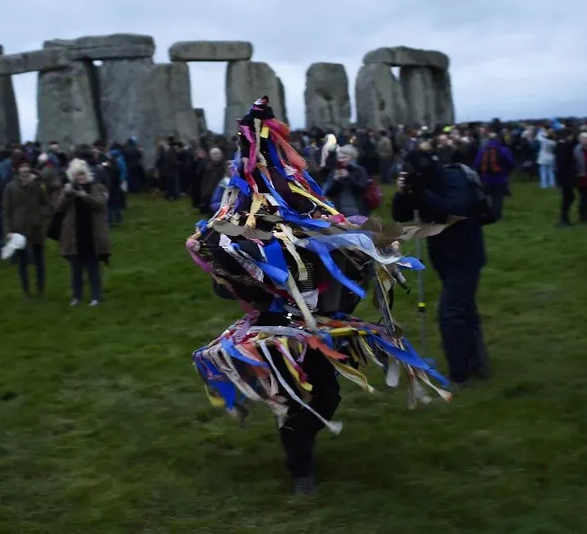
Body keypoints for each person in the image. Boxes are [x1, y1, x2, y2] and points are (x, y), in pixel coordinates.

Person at [188, 97, 449, 496]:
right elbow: (227, 284)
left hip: (324, 333)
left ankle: (303, 440)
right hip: (279, 334)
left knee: (327, 395)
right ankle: (301, 471)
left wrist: (375, 255)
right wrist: (238, 275)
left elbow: (356, 268)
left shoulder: (325, 237)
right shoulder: (255, 245)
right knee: (294, 399)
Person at [392, 148, 489, 390]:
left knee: (451, 314)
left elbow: (453, 209)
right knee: (464, 309)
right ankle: (477, 362)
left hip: (465, 252)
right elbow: (400, 215)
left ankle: (459, 375)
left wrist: (421, 192)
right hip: (444, 256)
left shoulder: (452, 177)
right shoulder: (423, 182)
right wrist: (403, 193)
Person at [55, 158, 111, 306]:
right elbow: (59, 208)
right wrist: (67, 194)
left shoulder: (97, 188)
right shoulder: (68, 189)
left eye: (81, 174)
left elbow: (100, 205)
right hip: (74, 234)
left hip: (92, 233)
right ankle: (77, 297)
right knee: (76, 269)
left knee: (93, 267)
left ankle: (96, 296)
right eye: (76, 175)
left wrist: (84, 195)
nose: (79, 178)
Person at [2, 158, 50, 299]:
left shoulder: (37, 186)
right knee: (22, 263)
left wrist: (41, 218)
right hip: (19, 230)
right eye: (22, 166)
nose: (25, 169)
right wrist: (8, 231)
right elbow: (6, 210)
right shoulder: (11, 187)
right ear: (17, 169)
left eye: (27, 166)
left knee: (39, 262)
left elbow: (46, 204)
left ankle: (41, 290)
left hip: (36, 228)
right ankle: (26, 291)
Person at [474, 125, 514, 221]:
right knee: (498, 198)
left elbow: (477, 164)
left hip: (486, 177)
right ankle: (497, 216)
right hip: (500, 177)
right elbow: (511, 163)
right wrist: (506, 172)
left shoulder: (483, 150)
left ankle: (488, 214)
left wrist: (481, 174)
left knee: (487, 197)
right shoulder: (503, 150)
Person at [321, 145, 370, 217]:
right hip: (339, 210)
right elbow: (330, 193)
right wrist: (336, 181)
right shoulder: (335, 172)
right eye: (339, 158)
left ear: (352, 157)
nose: (341, 160)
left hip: (358, 209)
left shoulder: (360, 170)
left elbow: (362, 190)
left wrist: (348, 177)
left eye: (344, 157)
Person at [554, 129, 577, 227]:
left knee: (568, 198)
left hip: (563, 176)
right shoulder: (564, 147)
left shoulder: (560, 146)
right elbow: (564, 164)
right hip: (565, 177)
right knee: (568, 198)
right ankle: (564, 219)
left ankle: (565, 218)